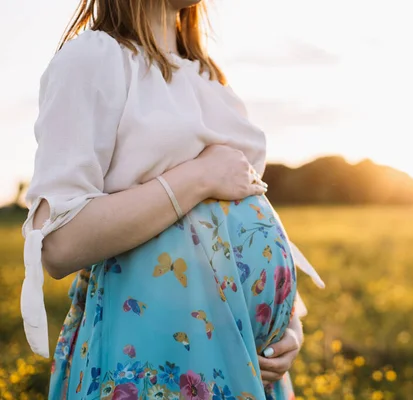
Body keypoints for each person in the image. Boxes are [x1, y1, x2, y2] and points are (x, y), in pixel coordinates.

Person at [20, 0, 325, 398]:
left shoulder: (210, 76)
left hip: (248, 357)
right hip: (154, 357)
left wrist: (288, 325)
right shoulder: (94, 59)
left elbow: (242, 209)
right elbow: (60, 244)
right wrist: (199, 177)